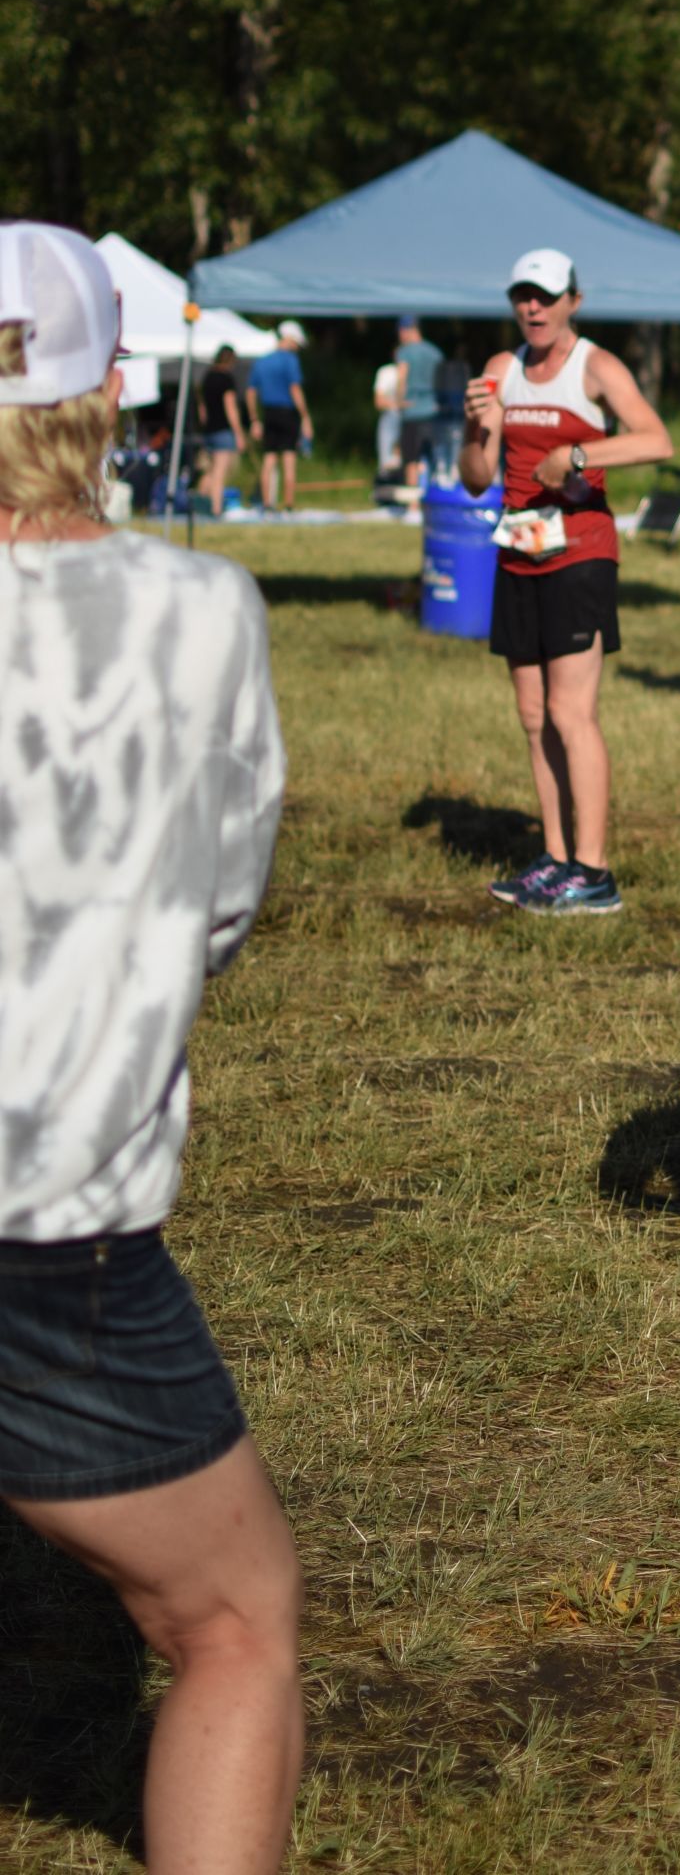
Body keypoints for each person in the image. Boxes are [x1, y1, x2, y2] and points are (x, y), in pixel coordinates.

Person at [0, 224, 300, 1875]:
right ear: (109, 386)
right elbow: (221, 901)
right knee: (235, 1621)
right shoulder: (196, 611)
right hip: (56, 1227)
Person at [458, 248, 674, 915]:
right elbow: (475, 478)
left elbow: (657, 440)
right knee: (532, 716)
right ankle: (555, 859)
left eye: (546, 296)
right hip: (518, 551)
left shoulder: (595, 366)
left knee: (570, 712)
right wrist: (473, 428)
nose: (534, 307)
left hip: (581, 553)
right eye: (523, 296)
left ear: (572, 302)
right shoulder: (502, 370)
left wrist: (576, 455)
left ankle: (594, 872)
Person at [246, 323, 311, 512]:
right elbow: (295, 389)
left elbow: (251, 392)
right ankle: (289, 505)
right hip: (288, 412)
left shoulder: (262, 361)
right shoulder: (290, 360)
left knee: (269, 458)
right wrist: (305, 416)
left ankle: (267, 504)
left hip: (269, 413)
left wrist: (254, 419)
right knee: (289, 459)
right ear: (289, 339)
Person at [394, 313, 446, 488]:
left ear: (406, 330)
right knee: (432, 457)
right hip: (433, 411)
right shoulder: (435, 352)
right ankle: (431, 496)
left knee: (411, 459)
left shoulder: (405, 352)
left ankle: (413, 501)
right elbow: (442, 381)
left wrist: (399, 401)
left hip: (412, 411)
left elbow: (402, 377)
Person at [196, 345, 248, 517]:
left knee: (210, 472)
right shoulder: (226, 379)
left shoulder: (207, 377)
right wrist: (239, 433)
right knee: (220, 472)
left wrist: (205, 427)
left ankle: (198, 506)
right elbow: (230, 408)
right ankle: (216, 509)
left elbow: (202, 410)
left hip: (209, 430)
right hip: (223, 430)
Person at [371, 353, 402, 487]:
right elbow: (378, 401)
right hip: (391, 416)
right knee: (387, 462)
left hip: (410, 419)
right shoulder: (386, 372)